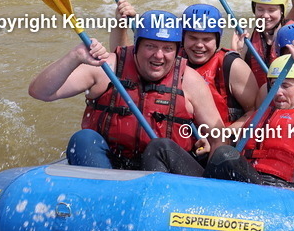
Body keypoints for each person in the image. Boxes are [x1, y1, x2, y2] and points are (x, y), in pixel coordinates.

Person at [28, 10, 224, 174]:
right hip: (111, 171)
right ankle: (102, 200)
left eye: (167, 48)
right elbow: (40, 92)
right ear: (136, 46)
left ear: (176, 51)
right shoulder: (107, 68)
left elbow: (218, 135)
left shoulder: (189, 80)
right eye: (150, 46)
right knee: (83, 139)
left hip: (166, 173)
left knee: (160, 147)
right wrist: (75, 56)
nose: (158, 55)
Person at [204, 47, 294, 188]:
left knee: (224, 154)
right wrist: (209, 140)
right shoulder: (259, 118)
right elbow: (227, 135)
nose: (278, 92)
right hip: (249, 185)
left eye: (285, 86)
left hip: (283, 192)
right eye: (274, 85)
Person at [181, 4, 259, 126]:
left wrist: (223, 135)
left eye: (206, 39)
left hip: (224, 139)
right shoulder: (172, 62)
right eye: (193, 38)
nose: (199, 45)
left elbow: (255, 111)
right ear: (183, 37)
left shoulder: (233, 66)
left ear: (217, 40)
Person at [239, 0, 293, 87]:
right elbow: (240, 77)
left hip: (283, 96)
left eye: (271, 10)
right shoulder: (247, 36)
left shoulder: (292, 34)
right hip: (258, 96)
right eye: (260, 9)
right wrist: (237, 52)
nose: (265, 15)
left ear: (282, 10)